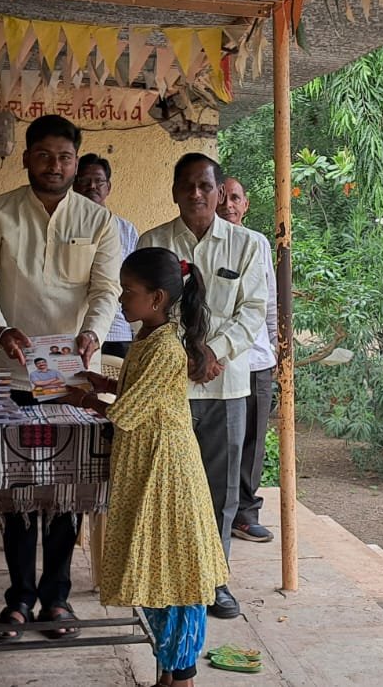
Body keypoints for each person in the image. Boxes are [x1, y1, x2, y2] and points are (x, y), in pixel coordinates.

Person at [0, 115, 121, 640]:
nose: (56, 166)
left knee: (66, 489)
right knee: (16, 488)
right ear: (27, 157)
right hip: (10, 372)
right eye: (46, 155)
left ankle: (56, 598)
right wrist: (1, 329)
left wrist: (94, 335)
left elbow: (105, 291)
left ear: (77, 162)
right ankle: (17, 598)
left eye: (66, 157)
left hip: (73, 377)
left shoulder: (98, 221)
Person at [68, 247, 229, 687]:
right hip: (147, 463)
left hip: (166, 469)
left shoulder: (165, 346)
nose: (122, 299)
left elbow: (128, 412)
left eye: (128, 292)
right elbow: (137, 389)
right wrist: (104, 382)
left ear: (157, 297)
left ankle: (182, 676)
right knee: (160, 571)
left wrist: (81, 398)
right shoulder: (148, 338)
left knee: (176, 576)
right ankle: (170, 674)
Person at [137, 153, 266, 619]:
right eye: (187, 186)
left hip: (225, 386)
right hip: (169, 389)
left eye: (205, 186)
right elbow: (151, 310)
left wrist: (213, 353)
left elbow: (252, 311)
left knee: (220, 490)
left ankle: (214, 582)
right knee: (167, 487)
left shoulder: (250, 245)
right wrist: (188, 353)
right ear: (174, 190)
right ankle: (171, 579)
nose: (196, 194)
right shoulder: (154, 242)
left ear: (218, 191)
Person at [216, 177, 279, 544]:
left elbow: (268, 301)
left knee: (253, 442)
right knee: (222, 441)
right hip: (219, 362)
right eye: (222, 197)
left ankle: (244, 513)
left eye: (235, 198)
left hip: (255, 360)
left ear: (246, 204)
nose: (228, 205)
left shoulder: (258, 243)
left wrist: (273, 348)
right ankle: (217, 510)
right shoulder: (207, 243)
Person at [75, 154, 139, 359]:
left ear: (108, 187)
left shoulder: (126, 230)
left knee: (117, 389)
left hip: (116, 330)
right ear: (74, 185)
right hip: (74, 331)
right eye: (84, 180)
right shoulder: (62, 227)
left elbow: (135, 282)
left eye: (99, 181)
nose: (92, 186)